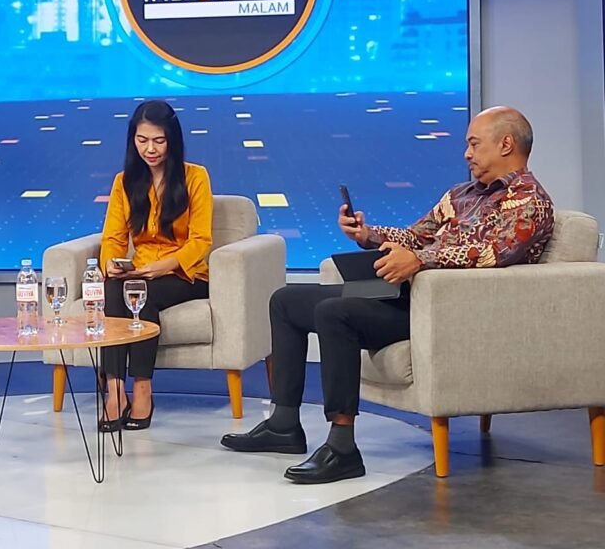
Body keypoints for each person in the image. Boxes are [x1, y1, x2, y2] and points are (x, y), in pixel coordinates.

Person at [220, 106, 554, 484]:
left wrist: (420, 260)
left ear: (506, 144)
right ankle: (284, 425)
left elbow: (494, 253)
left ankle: (342, 449)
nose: (467, 154)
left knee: (334, 312)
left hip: (444, 311)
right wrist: (369, 235)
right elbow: (416, 235)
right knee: (286, 302)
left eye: (474, 144)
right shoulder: (461, 194)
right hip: (405, 294)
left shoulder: (529, 202)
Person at [99, 100, 213, 432]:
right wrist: (111, 264)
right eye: (142, 140)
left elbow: (201, 240)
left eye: (158, 141)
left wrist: (163, 266)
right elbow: (113, 238)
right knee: (115, 285)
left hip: (186, 274)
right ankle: (115, 391)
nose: (150, 149)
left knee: (140, 292)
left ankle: (143, 391)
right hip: (141, 270)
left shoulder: (195, 177)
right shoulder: (124, 182)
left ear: (172, 139)